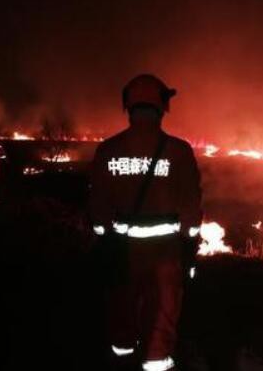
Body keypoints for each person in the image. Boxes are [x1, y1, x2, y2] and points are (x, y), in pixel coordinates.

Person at [89, 74, 203, 371]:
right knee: (160, 325)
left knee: (121, 317)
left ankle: (121, 362)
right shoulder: (178, 151)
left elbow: (98, 209)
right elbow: (191, 207)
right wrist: (190, 247)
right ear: (162, 106)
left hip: (121, 254)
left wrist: (104, 240)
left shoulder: (108, 150)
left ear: (128, 106)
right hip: (165, 255)